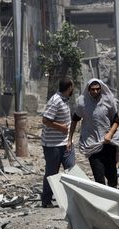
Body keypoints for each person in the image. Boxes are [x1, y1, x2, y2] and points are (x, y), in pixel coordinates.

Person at [68, 78, 119, 187]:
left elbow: (116, 120)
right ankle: (102, 202)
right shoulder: (82, 103)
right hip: (92, 145)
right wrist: (69, 139)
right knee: (99, 177)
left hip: (108, 143)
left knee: (112, 177)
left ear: (101, 89)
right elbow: (74, 120)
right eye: (93, 89)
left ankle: (114, 200)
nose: (95, 92)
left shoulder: (109, 101)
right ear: (88, 90)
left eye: (97, 89)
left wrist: (110, 134)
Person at [41, 76, 75, 208]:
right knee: (52, 173)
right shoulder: (55, 101)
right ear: (69, 88)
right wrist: (61, 127)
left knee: (71, 169)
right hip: (52, 145)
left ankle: (74, 199)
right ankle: (46, 200)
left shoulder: (64, 100)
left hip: (65, 143)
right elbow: (45, 120)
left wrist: (69, 139)